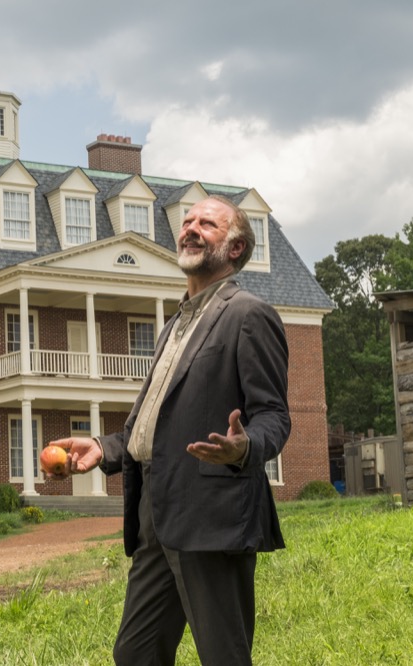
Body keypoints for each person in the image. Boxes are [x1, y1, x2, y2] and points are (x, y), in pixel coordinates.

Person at [48, 195, 290, 665]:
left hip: (212, 513)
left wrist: (243, 448)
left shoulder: (248, 314)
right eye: (187, 221)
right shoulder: (175, 324)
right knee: (135, 652)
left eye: (209, 224)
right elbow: (157, 422)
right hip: (155, 514)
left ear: (236, 248)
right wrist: (104, 448)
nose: (191, 229)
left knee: (224, 654)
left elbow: (274, 417)